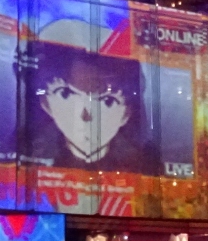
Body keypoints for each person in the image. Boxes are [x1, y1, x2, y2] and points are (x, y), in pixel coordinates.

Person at [21, 40, 159, 174]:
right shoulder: (25, 151)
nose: (86, 116)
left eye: (107, 101)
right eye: (66, 94)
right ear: (46, 103)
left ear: (126, 114)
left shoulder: (145, 164)